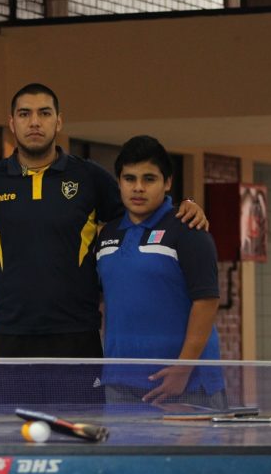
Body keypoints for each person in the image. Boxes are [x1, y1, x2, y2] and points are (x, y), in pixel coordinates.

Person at [0, 83, 207, 403]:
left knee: (79, 442)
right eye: (25, 114)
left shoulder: (87, 177)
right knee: (11, 441)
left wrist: (182, 206)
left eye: (44, 113)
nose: (35, 122)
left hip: (77, 335)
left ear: (59, 121)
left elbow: (140, 208)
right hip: (11, 337)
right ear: (11, 123)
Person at [96, 135, 225, 408]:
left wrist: (183, 369)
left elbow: (207, 301)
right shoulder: (107, 233)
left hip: (186, 385)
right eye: (129, 179)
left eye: (149, 179)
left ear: (167, 183)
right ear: (119, 182)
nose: (138, 188)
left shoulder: (188, 228)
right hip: (120, 384)